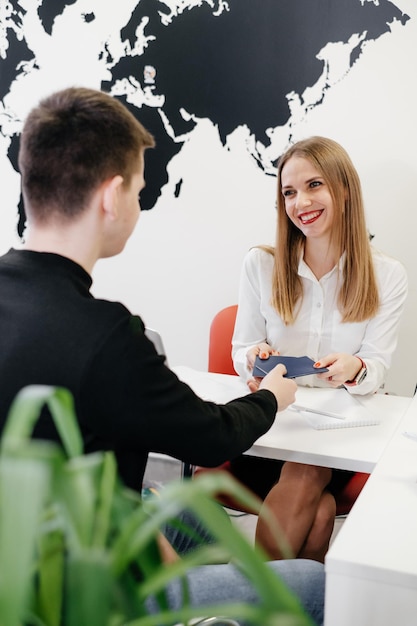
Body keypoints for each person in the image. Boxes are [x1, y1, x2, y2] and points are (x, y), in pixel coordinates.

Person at [0, 87, 324, 625]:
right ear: (110, 197)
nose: (138, 206)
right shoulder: (104, 335)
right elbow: (212, 434)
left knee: (191, 518)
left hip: (34, 553)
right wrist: (272, 397)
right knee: (317, 584)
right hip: (85, 591)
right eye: (139, 191)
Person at [232, 135, 408, 563]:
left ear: (343, 189)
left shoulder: (387, 275)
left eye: (314, 185)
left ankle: (258, 602)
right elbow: (242, 347)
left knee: (308, 471)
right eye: (289, 192)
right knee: (319, 508)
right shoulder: (261, 264)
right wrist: (254, 358)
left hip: (340, 441)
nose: (300, 202)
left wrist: (355, 367)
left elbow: (378, 368)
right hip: (269, 426)